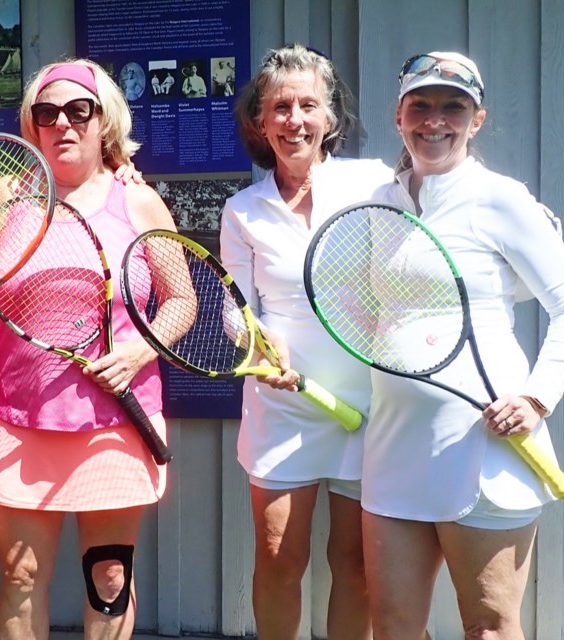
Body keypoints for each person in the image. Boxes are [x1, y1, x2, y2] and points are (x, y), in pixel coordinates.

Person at [361, 51, 564, 639]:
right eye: (420, 106)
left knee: (490, 627)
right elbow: (359, 309)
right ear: (399, 116)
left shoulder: (500, 198)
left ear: (477, 120)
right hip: (394, 449)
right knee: (394, 626)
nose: (435, 120)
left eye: (454, 107)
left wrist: (536, 398)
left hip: (486, 447)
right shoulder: (381, 201)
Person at [0, 59, 179, 639]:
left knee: (109, 577)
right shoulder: (6, 204)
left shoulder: (138, 203)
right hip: (23, 422)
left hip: (115, 426)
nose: (62, 124)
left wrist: (140, 352)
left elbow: (181, 301)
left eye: (78, 111)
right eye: (46, 114)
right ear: (31, 125)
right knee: (20, 575)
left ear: (103, 120)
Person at [218, 44, 393, 639]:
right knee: (277, 559)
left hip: (366, 405)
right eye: (280, 107)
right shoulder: (243, 210)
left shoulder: (375, 183)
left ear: (331, 118)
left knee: (357, 566)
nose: (295, 119)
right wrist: (258, 346)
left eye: (308, 105)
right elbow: (234, 311)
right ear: (260, 123)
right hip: (283, 404)